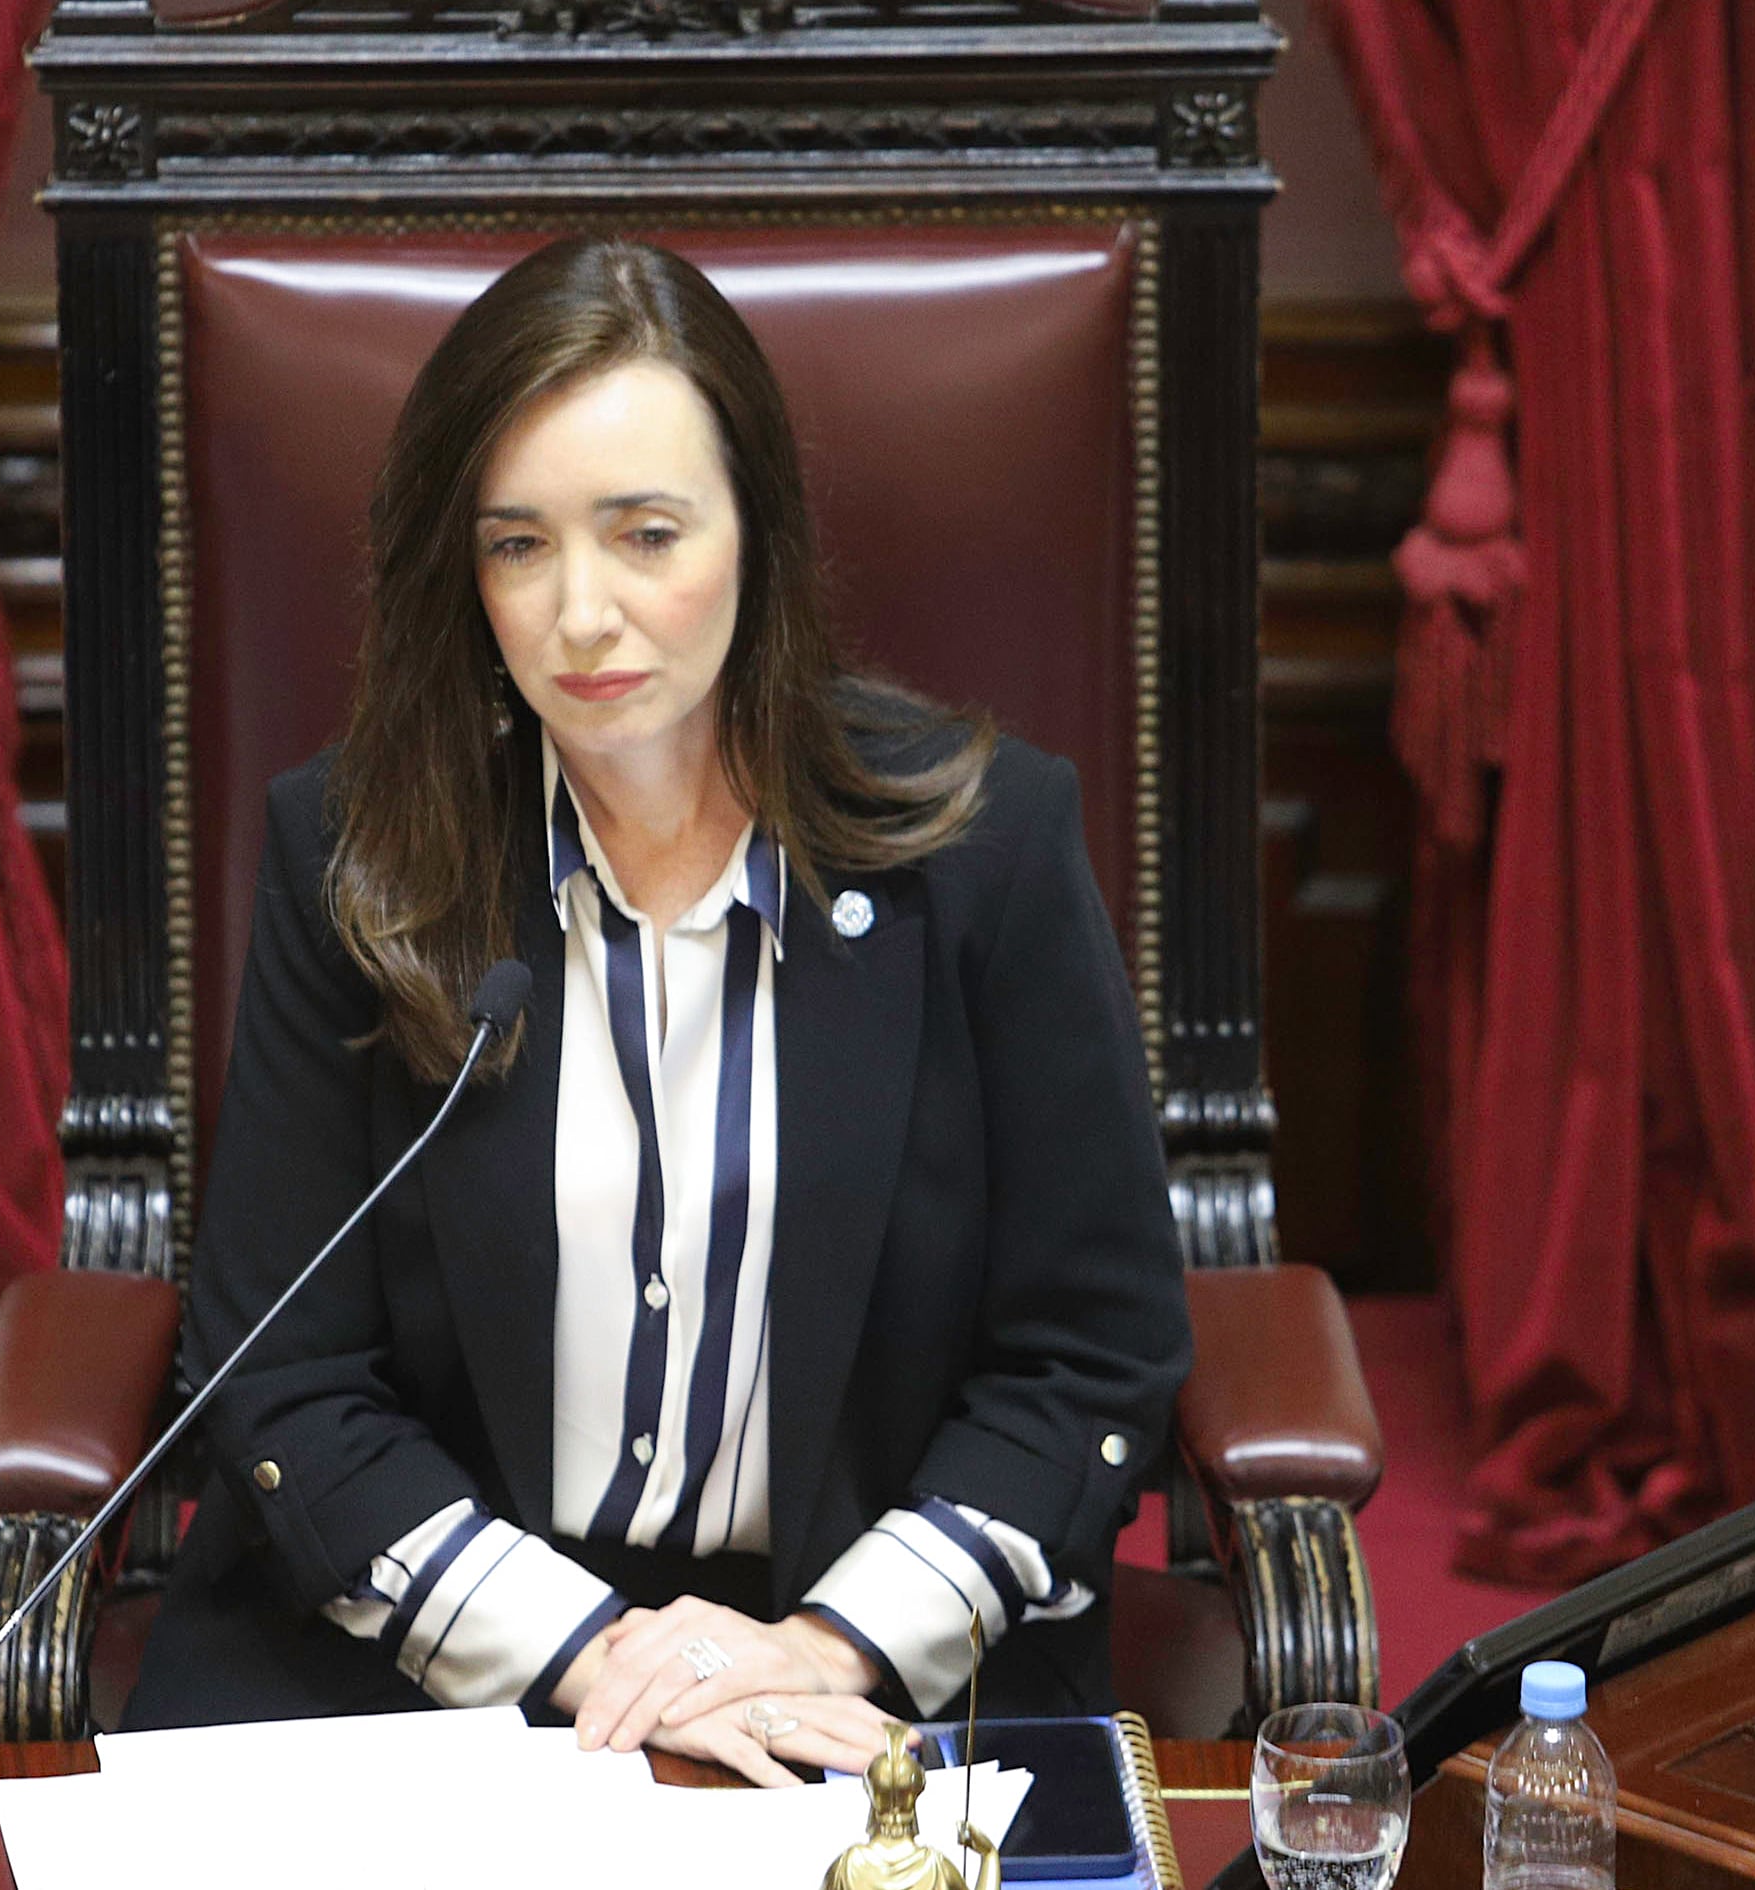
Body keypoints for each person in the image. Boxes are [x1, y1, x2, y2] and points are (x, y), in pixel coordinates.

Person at [120, 236, 1191, 1786]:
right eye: (518, 546)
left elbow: (1094, 1352)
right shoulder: (359, 857)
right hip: (434, 1650)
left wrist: (821, 1647)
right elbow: (285, 1369)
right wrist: (601, 1655)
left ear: (758, 528)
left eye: (645, 534)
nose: (581, 615)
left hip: (857, 1660)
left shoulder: (984, 848)